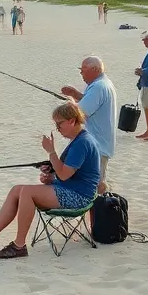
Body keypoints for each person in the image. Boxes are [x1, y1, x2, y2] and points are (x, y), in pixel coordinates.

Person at [0, 101, 101, 259]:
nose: (57, 129)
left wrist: (51, 152)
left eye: (59, 124)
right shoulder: (78, 140)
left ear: (72, 121)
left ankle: (19, 245)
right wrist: (51, 177)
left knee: (27, 192)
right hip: (72, 189)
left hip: (79, 196)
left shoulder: (82, 143)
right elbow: (65, 174)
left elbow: (65, 175)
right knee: (16, 190)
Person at [60, 55, 116, 192]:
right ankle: (103, 206)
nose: (81, 73)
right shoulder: (102, 83)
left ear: (95, 70)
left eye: (83, 70)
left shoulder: (98, 87)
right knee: (98, 182)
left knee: (97, 184)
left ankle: (107, 208)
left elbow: (79, 112)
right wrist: (75, 94)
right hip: (100, 143)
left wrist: (69, 102)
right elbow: (91, 103)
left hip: (97, 144)